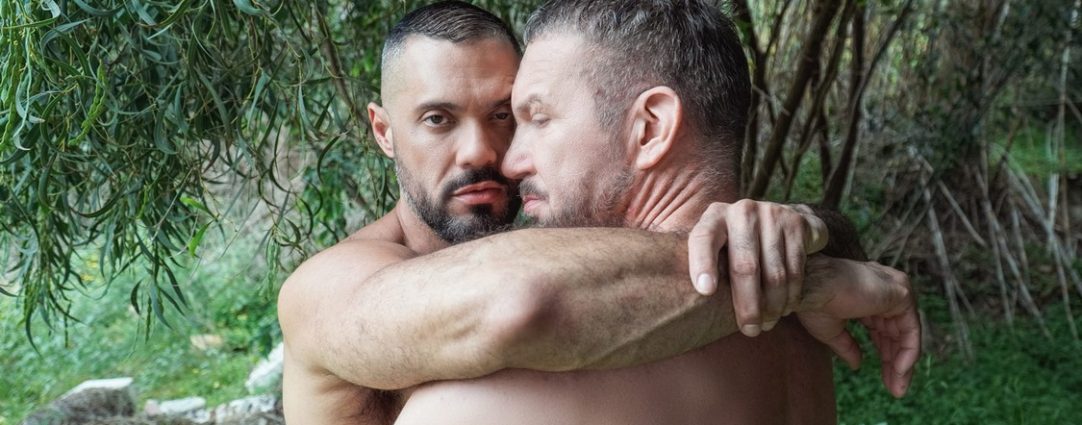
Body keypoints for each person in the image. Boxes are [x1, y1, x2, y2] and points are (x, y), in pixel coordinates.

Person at [277, 2, 919, 424]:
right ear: (383, 130)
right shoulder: (329, 287)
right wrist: (806, 273)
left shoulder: (491, 399)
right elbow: (518, 297)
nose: (498, 156)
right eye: (438, 119)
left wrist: (813, 235)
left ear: (649, 129)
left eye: (521, 117)